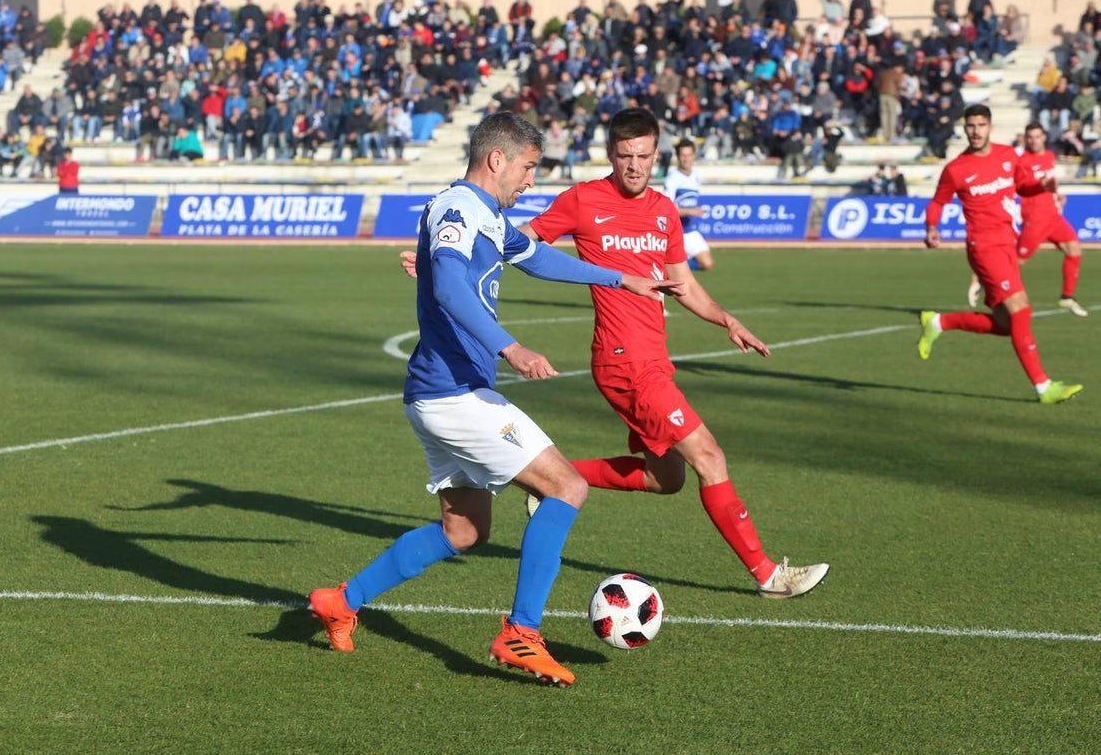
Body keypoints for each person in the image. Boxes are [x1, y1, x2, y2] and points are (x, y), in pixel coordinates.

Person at [308, 112, 680, 688]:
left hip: (437, 394)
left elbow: (538, 257)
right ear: (497, 159)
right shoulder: (458, 208)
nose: (531, 181)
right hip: (454, 393)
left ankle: (341, 601)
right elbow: (448, 286)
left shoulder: (486, 214)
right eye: (528, 168)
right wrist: (512, 348)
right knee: (567, 487)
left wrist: (618, 279)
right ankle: (522, 632)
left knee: (463, 531)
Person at [404, 110, 829, 598]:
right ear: (610, 154)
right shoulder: (583, 199)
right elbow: (519, 243)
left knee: (664, 478)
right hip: (624, 361)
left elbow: (683, 284)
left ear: (656, 155)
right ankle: (768, 574)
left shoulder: (665, 210)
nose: (634, 165)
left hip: (656, 358)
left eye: (643, 156)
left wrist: (726, 319)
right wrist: (441, 257)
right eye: (625, 155)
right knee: (709, 456)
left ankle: (547, 479)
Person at [918, 105, 1083, 404]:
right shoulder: (956, 169)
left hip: (1007, 243)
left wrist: (1040, 186)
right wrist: (931, 227)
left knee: (1007, 325)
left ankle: (939, 322)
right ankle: (1044, 387)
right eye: (971, 126)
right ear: (965, 129)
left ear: (990, 127)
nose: (976, 131)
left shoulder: (1008, 155)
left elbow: (1023, 187)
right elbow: (938, 202)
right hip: (984, 247)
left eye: (981, 125)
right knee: (1021, 308)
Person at [966, 123, 1087, 317]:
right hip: (1036, 218)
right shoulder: (1022, 161)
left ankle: (1067, 296)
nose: (1034, 140)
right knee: (1016, 261)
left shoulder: (1049, 156)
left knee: (1074, 250)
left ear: (1044, 137)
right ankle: (982, 277)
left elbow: (1050, 183)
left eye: (1037, 136)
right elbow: (1021, 185)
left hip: (1053, 216)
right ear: (1026, 139)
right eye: (1030, 137)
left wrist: (1056, 194)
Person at [662, 138, 714, 271]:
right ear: (678, 157)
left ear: (694, 156)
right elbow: (667, 210)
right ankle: (670, 267)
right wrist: (690, 211)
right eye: (683, 155)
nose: (686, 159)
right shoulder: (673, 179)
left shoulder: (696, 175)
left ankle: (670, 266)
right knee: (704, 263)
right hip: (676, 232)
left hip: (690, 230)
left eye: (689, 155)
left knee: (707, 264)